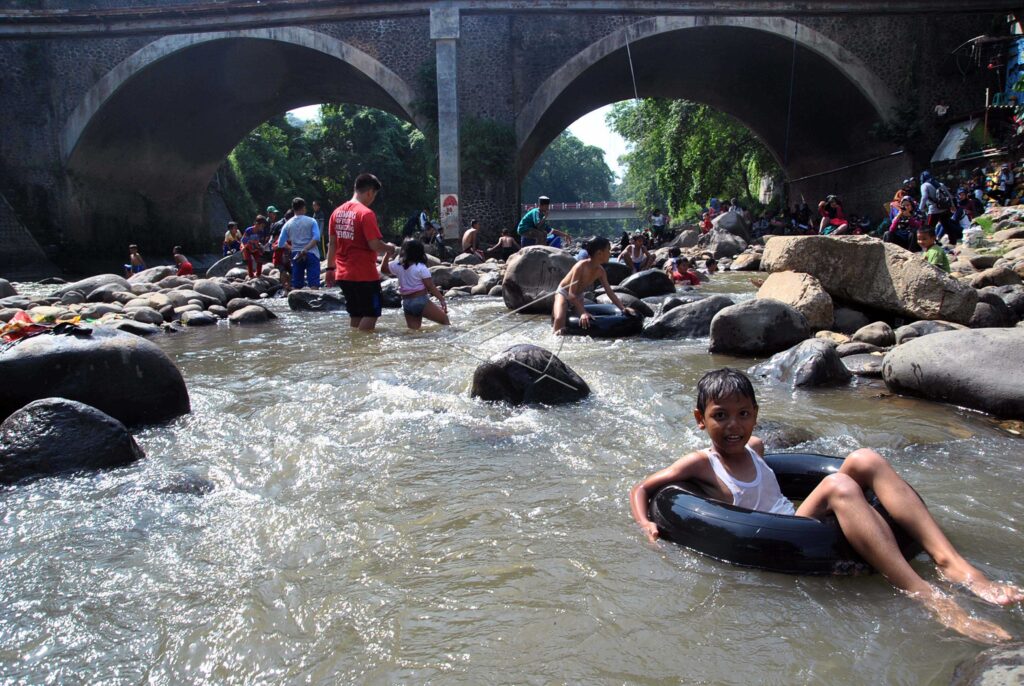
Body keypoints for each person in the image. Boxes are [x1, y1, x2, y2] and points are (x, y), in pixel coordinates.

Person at [629, 368, 1022, 643]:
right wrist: (646, 523)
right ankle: (925, 594)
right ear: (701, 420)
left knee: (866, 458)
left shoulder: (756, 447)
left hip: (797, 518)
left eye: (743, 414)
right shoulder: (700, 463)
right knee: (838, 484)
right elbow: (642, 488)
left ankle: (951, 563)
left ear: (755, 417)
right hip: (777, 533)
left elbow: (767, 468)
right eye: (720, 417)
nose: (733, 425)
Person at [325, 173, 398, 332]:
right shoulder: (365, 214)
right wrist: (390, 248)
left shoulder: (336, 213)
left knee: (356, 313)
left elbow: (332, 244)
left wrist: (330, 269)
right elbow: (374, 245)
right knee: (372, 313)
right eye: (374, 196)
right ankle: (362, 350)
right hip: (363, 274)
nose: (373, 199)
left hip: (343, 274)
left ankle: (354, 351)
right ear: (370, 192)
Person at [551, 237, 633, 334]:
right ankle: (554, 339)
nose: (610, 253)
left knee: (586, 322)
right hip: (564, 293)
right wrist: (583, 312)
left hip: (578, 296)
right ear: (599, 253)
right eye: (608, 250)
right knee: (560, 318)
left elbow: (609, 292)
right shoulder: (580, 266)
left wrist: (623, 308)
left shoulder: (601, 271)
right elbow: (571, 295)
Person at [381, 239, 449, 330]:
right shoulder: (421, 267)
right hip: (420, 301)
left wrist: (387, 254)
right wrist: (441, 299)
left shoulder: (398, 265)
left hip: (406, 303)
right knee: (445, 320)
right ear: (420, 252)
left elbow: (383, 269)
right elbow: (430, 286)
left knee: (414, 331)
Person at [278, 197, 322, 290]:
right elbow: (317, 238)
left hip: (296, 255)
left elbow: (280, 243)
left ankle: (297, 303)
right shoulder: (311, 221)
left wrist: (291, 247)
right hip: (311, 253)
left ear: (293, 208)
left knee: (297, 285)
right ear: (303, 208)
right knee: (314, 284)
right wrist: (306, 248)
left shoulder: (288, 224)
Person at [919, 171, 960, 245]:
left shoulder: (924, 185)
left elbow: (924, 197)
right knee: (947, 225)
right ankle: (953, 242)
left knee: (929, 228)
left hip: (934, 210)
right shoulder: (940, 184)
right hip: (944, 209)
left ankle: (931, 244)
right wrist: (952, 205)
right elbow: (950, 196)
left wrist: (920, 209)